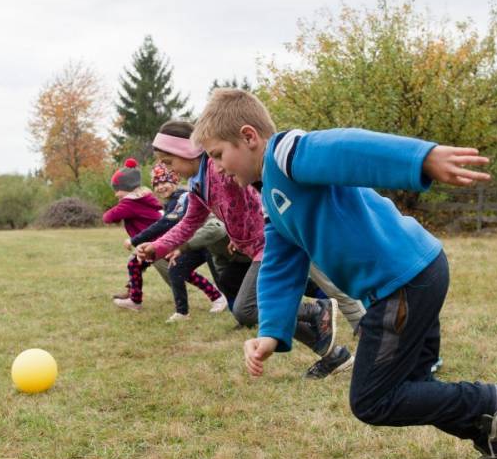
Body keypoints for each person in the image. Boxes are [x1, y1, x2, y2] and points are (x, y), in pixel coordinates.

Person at [190, 88, 497, 459]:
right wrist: (270, 332)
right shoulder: (270, 192)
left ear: (249, 136)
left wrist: (420, 158)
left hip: (403, 280)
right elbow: (280, 261)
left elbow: (348, 148)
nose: (216, 169)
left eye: (217, 155)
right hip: (410, 275)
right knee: (414, 387)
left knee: (373, 399)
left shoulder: (287, 155)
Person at [136, 120, 354, 380]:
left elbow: (257, 188)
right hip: (251, 248)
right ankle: (333, 354)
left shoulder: (220, 169)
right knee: (242, 297)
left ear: (187, 151)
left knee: (246, 309)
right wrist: (159, 246)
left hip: (270, 243)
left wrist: (270, 222)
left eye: (169, 162)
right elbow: (190, 222)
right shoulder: (198, 183)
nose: (168, 169)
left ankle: (314, 311)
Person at [129, 164, 227, 322]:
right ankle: (182, 313)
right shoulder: (170, 201)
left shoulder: (183, 197)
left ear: (174, 181)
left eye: (164, 182)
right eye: (157, 184)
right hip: (193, 243)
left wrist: (136, 239)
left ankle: (225, 300)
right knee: (176, 268)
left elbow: (166, 223)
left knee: (221, 278)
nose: (160, 187)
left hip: (208, 240)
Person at [102, 159, 163, 311]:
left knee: (182, 273)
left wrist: (120, 206)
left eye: (117, 190)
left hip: (156, 242)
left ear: (126, 187)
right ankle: (133, 296)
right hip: (155, 240)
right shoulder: (143, 197)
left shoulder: (130, 203)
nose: (116, 194)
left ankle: (216, 296)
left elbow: (108, 217)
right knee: (134, 264)